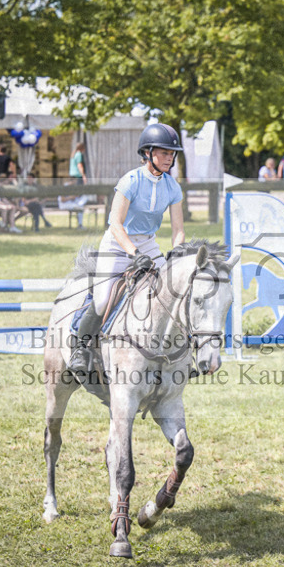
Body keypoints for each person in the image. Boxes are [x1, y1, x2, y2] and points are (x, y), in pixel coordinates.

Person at [68, 122, 186, 379]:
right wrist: (134, 253)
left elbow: (178, 229)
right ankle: (79, 349)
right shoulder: (130, 181)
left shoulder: (172, 187)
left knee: (173, 291)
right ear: (148, 153)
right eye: (164, 152)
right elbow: (115, 224)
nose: (169, 158)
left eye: (172, 153)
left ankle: (176, 351)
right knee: (102, 300)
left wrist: (176, 253)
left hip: (148, 244)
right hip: (117, 243)